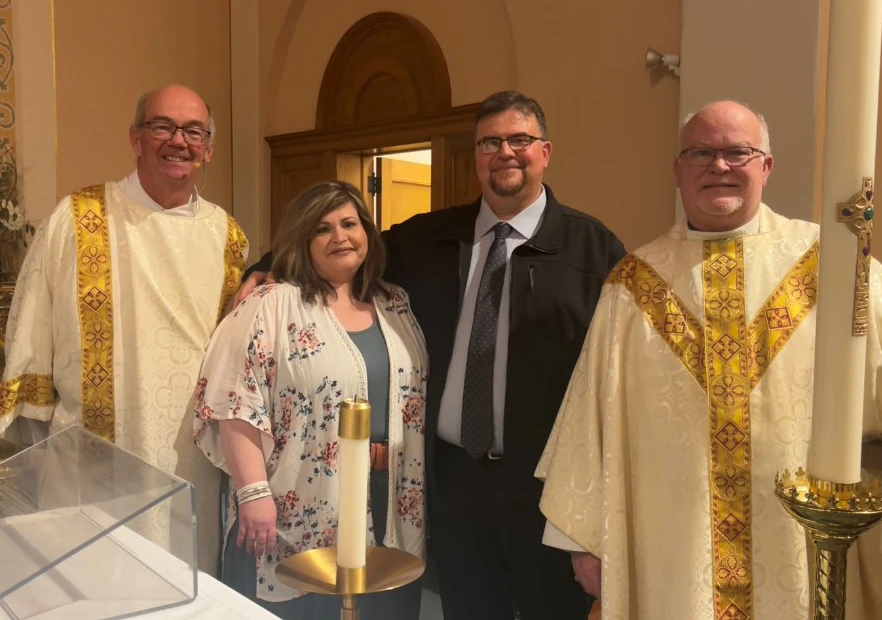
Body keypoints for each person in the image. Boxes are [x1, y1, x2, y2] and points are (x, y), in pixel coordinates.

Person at [238, 91, 626, 619]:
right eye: (490, 142)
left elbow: (615, 386)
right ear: (475, 155)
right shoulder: (428, 237)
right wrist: (264, 267)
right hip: (454, 489)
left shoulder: (594, 250)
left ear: (546, 151)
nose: (505, 152)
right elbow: (344, 248)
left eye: (520, 140)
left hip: (544, 494)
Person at [536, 100, 882, 619]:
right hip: (673, 556)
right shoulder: (633, 284)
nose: (718, 166)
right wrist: (583, 539)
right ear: (678, 171)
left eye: (737, 152)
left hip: (802, 548)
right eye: (701, 152)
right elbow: (590, 421)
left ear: (765, 166)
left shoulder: (830, 262)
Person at [0, 85, 247, 575]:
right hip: (90, 457)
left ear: (209, 148)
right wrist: (33, 452)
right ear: (135, 138)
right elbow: (31, 335)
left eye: (193, 131)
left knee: (184, 587)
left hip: (191, 460)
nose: (179, 141)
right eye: (162, 126)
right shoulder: (76, 219)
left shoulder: (228, 238)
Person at [193, 181, 427, 619]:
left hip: (388, 497)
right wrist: (253, 492)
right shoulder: (271, 304)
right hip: (293, 506)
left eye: (349, 224)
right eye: (322, 229)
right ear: (303, 241)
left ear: (367, 234)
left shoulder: (394, 303)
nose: (340, 237)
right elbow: (232, 401)